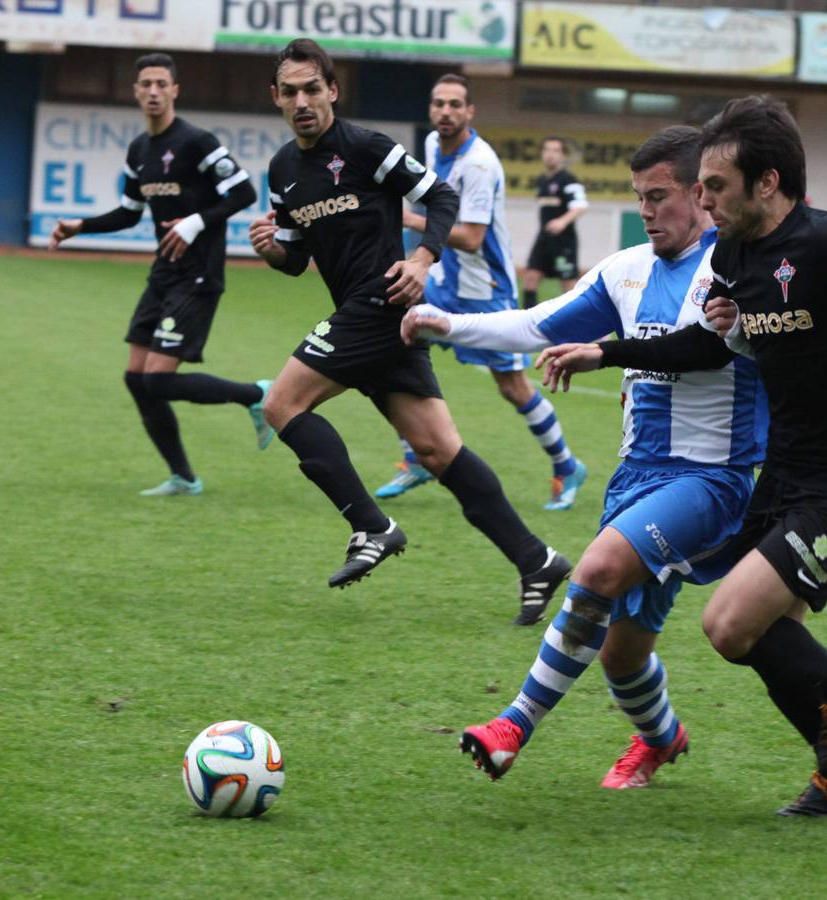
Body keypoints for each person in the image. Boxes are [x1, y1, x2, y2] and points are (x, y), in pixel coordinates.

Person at [537, 96, 827, 815]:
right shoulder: (730, 254)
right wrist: (607, 353)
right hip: (781, 472)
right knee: (769, 634)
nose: (702, 198)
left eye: (715, 186)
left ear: (768, 182)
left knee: (727, 624)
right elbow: (703, 345)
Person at [401, 126, 767, 788]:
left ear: (698, 193)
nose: (647, 210)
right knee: (621, 657)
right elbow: (539, 322)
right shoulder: (626, 269)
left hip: (710, 480)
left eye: (659, 196)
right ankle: (661, 738)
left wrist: (607, 352)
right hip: (635, 481)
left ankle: (512, 725)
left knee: (595, 571)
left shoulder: (736, 270)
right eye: (639, 197)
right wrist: (449, 324)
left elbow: (703, 347)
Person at [247, 39, 570, 621]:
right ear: (276, 97)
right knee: (438, 450)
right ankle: (536, 559)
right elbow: (295, 260)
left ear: (332, 91)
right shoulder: (283, 171)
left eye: (312, 89)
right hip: (371, 317)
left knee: (281, 404)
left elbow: (441, 196)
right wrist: (272, 249)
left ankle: (372, 526)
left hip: (380, 302)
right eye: (290, 91)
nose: (302, 101)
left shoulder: (368, 147)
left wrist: (422, 259)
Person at [49, 52, 268, 496]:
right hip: (163, 274)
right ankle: (184, 478)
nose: (152, 91)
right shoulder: (139, 150)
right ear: (136, 91)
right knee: (136, 378)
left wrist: (196, 221)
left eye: (160, 84)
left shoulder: (197, 141)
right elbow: (130, 214)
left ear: (174, 90)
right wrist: (81, 226)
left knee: (158, 380)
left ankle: (257, 395)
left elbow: (244, 191)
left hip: (199, 275)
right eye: (145, 83)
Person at [375, 75, 587, 513]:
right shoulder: (434, 144)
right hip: (445, 278)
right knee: (384, 331)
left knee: (511, 387)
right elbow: (435, 202)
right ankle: (415, 456)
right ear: (431, 109)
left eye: (455, 104)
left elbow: (471, 237)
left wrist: (410, 222)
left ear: (470, 112)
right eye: (439, 103)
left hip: (486, 288)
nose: (446, 112)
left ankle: (567, 466)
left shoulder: (480, 164)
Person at [521, 136, 589, 308]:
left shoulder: (568, 179)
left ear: (563, 155)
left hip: (563, 241)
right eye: (547, 150)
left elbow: (580, 206)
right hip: (543, 238)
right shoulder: (542, 181)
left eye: (555, 150)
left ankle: (578, 323)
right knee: (530, 277)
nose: (550, 154)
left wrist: (562, 221)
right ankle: (529, 324)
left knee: (568, 286)